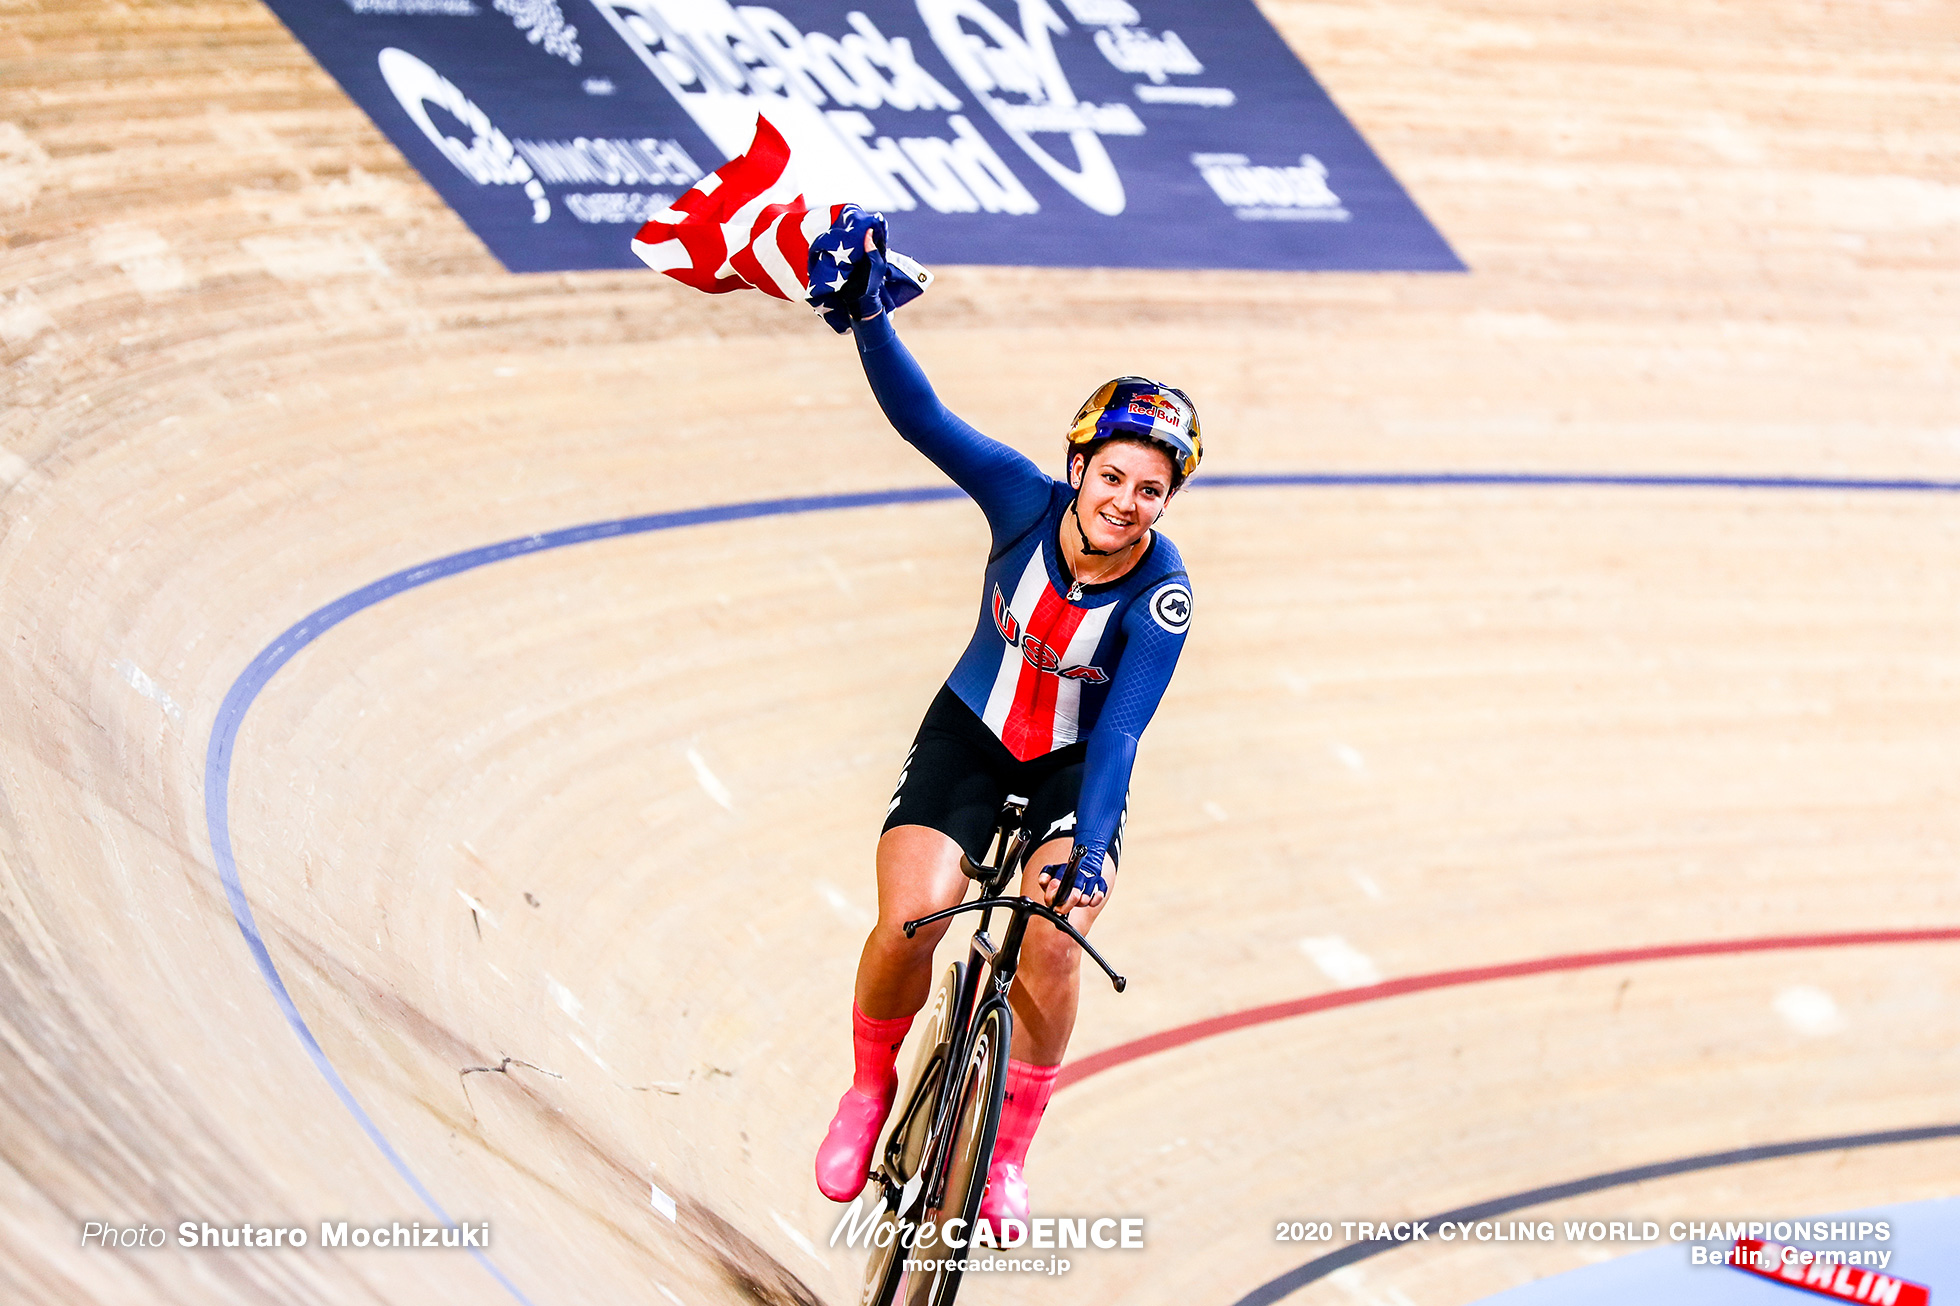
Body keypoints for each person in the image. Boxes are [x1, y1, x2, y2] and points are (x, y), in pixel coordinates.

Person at [812, 253, 1201, 1228]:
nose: (1124, 499)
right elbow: (924, 418)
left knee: (1055, 946)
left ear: (1165, 503)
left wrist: (1089, 854)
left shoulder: (1162, 597)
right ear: (1077, 467)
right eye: (1112, 474)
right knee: (917, 920)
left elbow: (1117, 731)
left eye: (1149, 489)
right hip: (973, 734)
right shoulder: (1020, 501)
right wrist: (867, 316)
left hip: (1076, 767)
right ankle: (868, 1088)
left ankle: (1004, 1158)